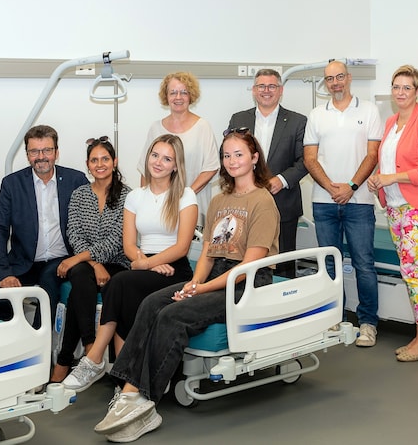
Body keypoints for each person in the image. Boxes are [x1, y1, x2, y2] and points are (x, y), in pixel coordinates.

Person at [93, 129, 279, 442]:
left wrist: (201, 290)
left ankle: (146, 403)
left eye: (239, 154)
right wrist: (194, 282)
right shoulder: (220, 199)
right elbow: (207, 253)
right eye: (226, 155)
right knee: (153, 303)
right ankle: (128, 393)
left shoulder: (263, 201)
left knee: (172, 315)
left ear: (254, 158)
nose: (231, 161)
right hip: (217, 274)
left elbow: (248, 267)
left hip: (246, 283)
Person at [61, 134, 198, 391]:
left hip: (174, 269)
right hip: (143, 265)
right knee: (124, 288)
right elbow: (128, 245)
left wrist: (146, 264)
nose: (158, 162)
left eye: (167, 158)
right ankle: (123, 378)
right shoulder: (135, 196)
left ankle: (94, 359)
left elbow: (181, 247)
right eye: (155, 155)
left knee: (120, 282)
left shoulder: (186, 196)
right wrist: (144, 262)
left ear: (176, 165)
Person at [304, 60, 384, 347]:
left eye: (340, 77)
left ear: (349, 78)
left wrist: (350, 187)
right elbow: (310, 159)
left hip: (359, 201)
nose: (335, 83)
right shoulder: (316, 115)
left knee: (364, 263)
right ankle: (334, 318)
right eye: (329, 79)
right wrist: (331, 188)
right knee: (328, 264)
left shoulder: (369, 110)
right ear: (325, 83)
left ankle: (368, 323)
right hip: (324, 203)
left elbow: (372, 155)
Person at [368, 65, 418, 362]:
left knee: (412, 269)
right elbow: (389, 161)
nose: (400, 93)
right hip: (396, 206)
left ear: (417, 91)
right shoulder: (391, 123)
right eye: (396, 87)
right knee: (409, 269)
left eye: (407, 88)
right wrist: (379, 179)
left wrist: (392, 178)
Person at [0, 125, 88, 328]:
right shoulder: (12, 184)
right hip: (25, 261)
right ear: (27, 155)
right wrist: (3, 272)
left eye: (47, 150)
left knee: (47, 284)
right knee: (0, 299)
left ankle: (36, 343)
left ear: (56, 153)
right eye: (34, 151)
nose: (41, 156)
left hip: (63, 260)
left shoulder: (75, 180)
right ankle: (12, 344)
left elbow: (90, 220)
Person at [50, 136, 131, 383]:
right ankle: (89, 346)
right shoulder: (79, 194)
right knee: (81, 275)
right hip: (86, 264)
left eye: (105, 159)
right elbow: (73, 233)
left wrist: (84, 259)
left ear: (114, 162)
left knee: (80, 286)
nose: (100, 164)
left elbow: (118, 239)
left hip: (117, 261)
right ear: (88, 164)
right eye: (94, 160)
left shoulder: (128, 196)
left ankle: (66, 361)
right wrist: (93, 264)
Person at [228, 68, 308, 277]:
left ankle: (284, 309)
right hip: (244, 205)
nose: (266, 90)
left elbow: (305, 161)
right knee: (245, 264)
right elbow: (229, 156)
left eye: (272, 86)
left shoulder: (297, 121)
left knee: (282, 264)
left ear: (280, 90)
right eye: (261, 86)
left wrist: (281, 180)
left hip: (283, 203)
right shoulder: (238, 120)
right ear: (254, 90)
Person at [137, 71, 220, 226]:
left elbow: (211, 167)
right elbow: (145, 170)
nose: (178, 97)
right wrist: (147, 202)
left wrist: (184, 196)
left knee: (191, 249)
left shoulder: (202, 127)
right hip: (159, 209)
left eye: (183, 92)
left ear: (191, 95)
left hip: (193, 205)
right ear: (166, 96)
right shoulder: (156, 128)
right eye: (173, 92)